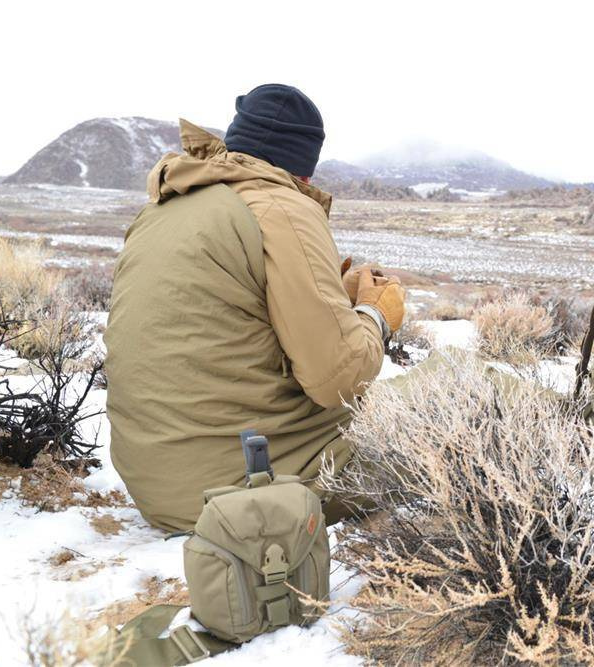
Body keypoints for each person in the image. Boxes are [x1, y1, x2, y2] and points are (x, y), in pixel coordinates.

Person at [104, 84, 405, 531]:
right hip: (241, 492)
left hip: (158, 487)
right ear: (304, 170)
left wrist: (334, 300)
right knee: (456, 402)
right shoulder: (281, 207)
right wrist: (374, 314)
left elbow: (226, 327)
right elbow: (337, 379)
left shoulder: (167, 205)